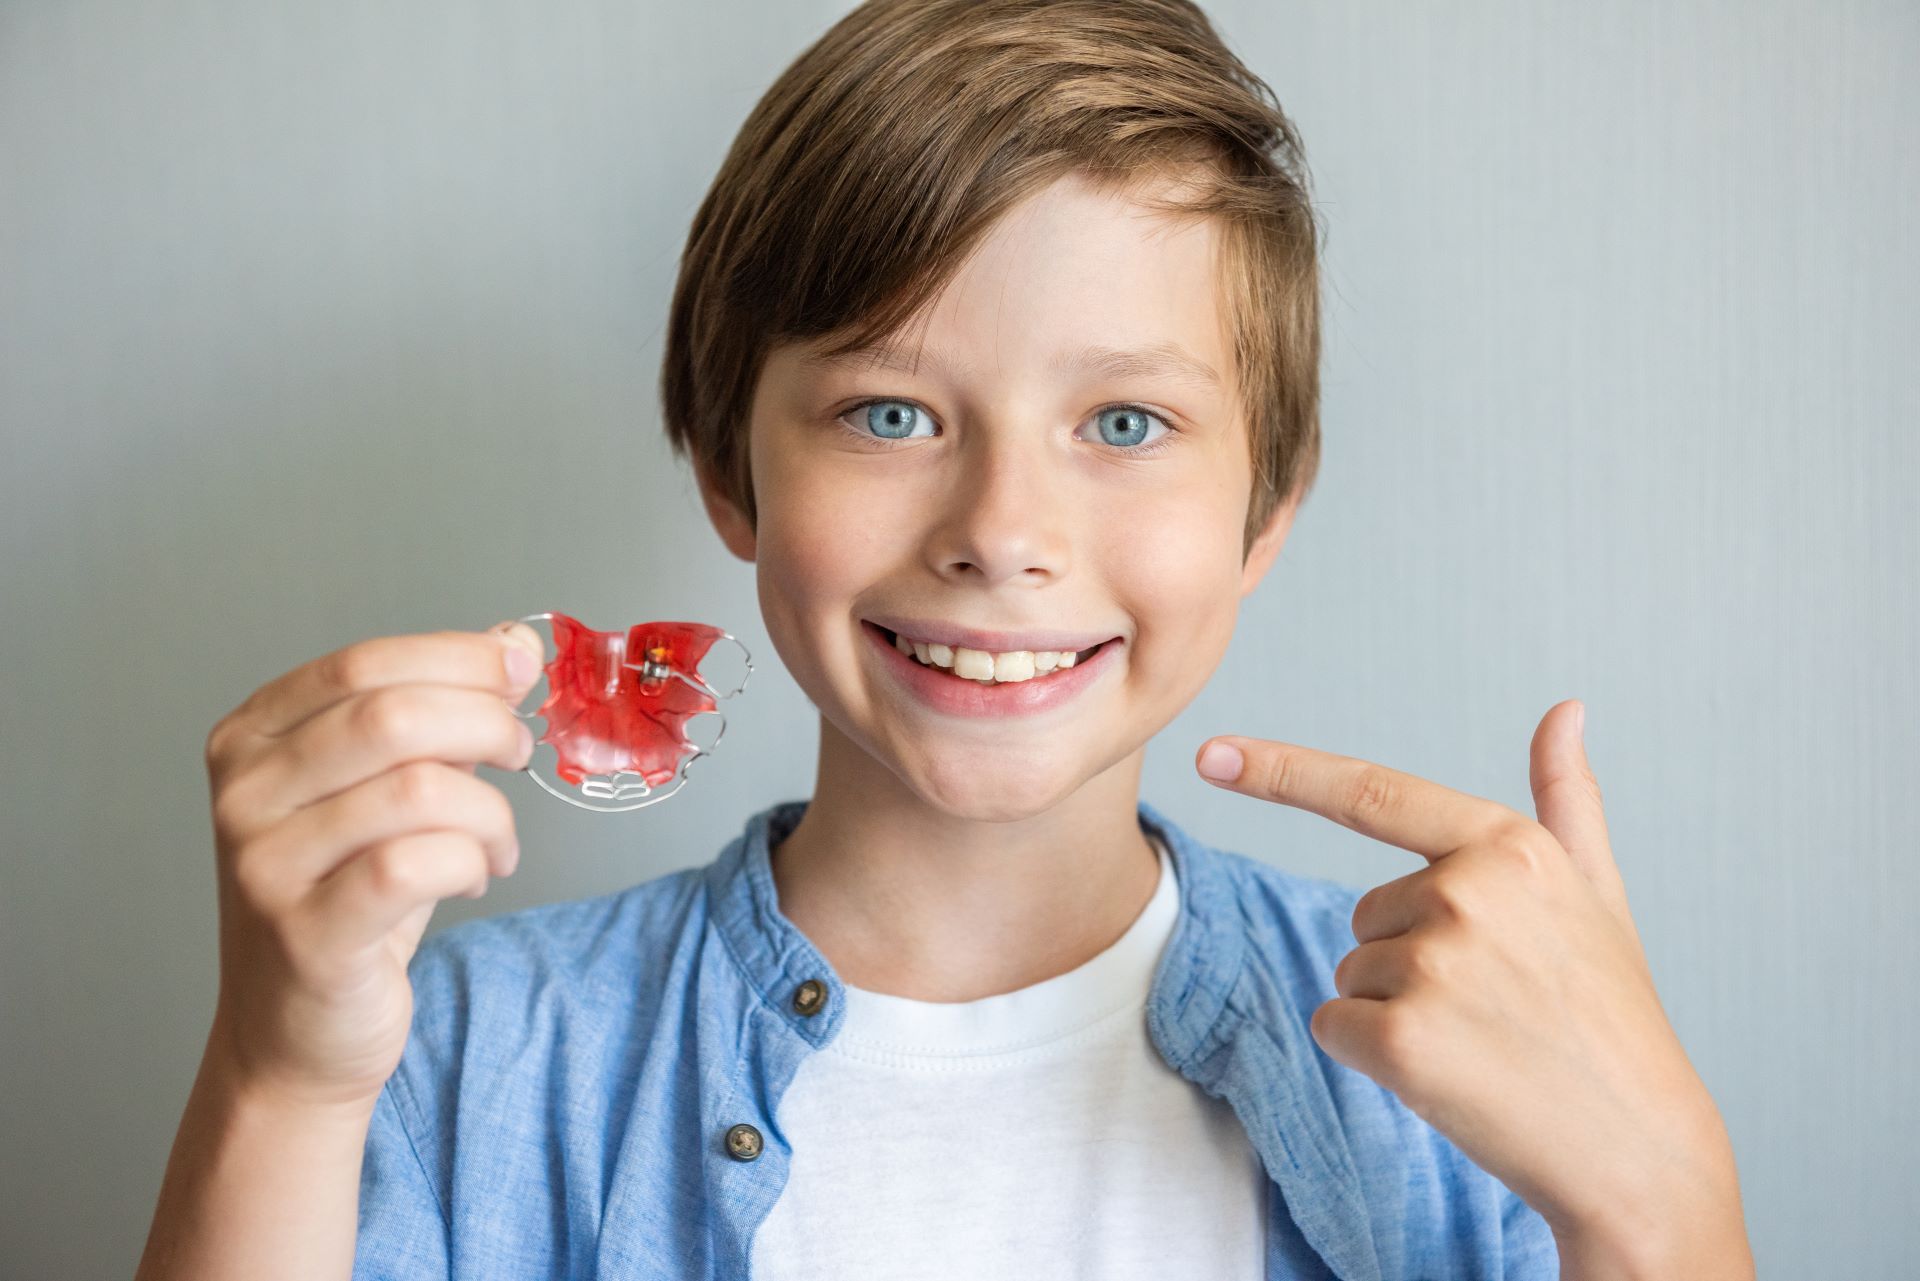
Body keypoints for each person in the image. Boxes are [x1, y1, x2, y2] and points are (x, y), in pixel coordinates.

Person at [136, 1, 1754, 1277]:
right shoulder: (464, 1054)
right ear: (728, 468)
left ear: (1267, 509)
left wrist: (1664, 1206)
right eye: (890, 409)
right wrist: (282, 1086)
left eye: (1125, 418)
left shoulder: (1467, 1060)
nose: (1002, 526)